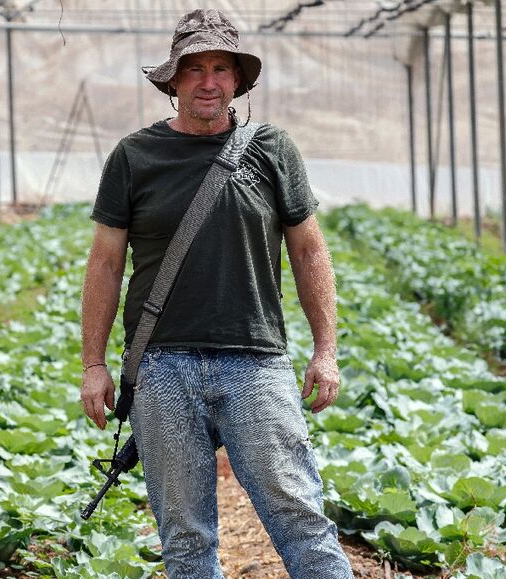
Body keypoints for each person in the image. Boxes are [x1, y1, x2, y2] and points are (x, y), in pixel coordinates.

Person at [80, 8, 354, 579]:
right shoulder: (134, 156)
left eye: (221, 69)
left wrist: (325, 351)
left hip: (255, 362)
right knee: (184, 537)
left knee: (300, 517)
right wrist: (94, 364)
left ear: (237, 80)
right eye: (195, 68)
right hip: (161, 366)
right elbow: (105, 263)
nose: (208, 82)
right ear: (174, 79)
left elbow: (309, 251)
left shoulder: (272, 148)